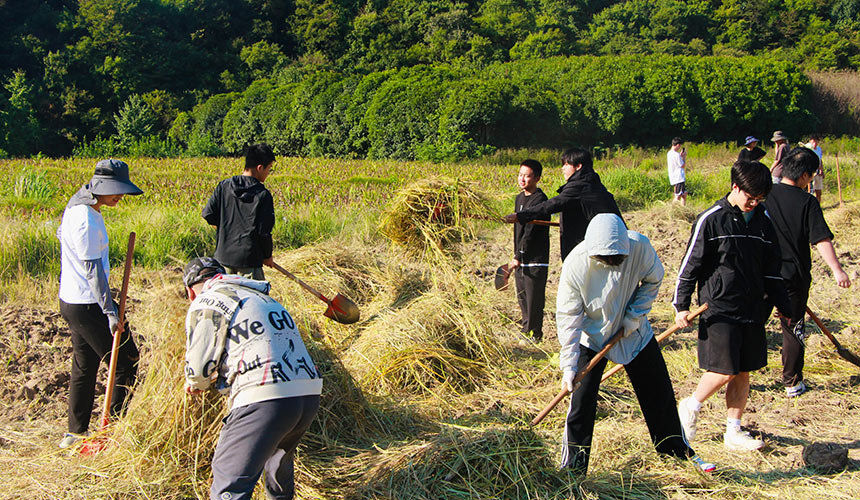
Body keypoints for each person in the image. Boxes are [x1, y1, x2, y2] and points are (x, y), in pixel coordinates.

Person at [556, 214, 714, 474]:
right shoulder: (576, 264)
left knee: (659, 393)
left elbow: (654, 279)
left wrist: (633, 317)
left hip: (635, 334)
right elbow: (568, 319)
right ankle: (573, 469)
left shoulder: (639, 247)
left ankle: (677, 454)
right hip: (592, 338)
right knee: (581, 403)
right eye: (604, 258)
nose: (611, 262)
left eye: (616, 257)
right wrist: (569, 365)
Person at [674, 160, 792, 451]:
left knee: (743, 371)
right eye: (750, 197)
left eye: (759, 198)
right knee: (725, 369)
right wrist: (681, 305)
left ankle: (734, 431)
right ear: (735, 187)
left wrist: (783, 304)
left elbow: (772, 267)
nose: (754, 203)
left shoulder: (764, 221)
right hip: (718, 307)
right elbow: (690, 265)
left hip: (753, 307)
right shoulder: (711, 219)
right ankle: (690, 405)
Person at [183, 257, 322, 500]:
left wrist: (196, 384)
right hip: (307, 393)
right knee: (277, 468)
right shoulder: (262, 297)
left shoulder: (208, 300)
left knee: (230, 483)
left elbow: (198, 368)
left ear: (189, 291)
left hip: (264, 396)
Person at [56, 159, 143, 448]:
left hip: (72, 299)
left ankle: (75, 433)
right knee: (126, 361)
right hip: (88, 303)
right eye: (115, 190)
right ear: (100, 187)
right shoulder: (87, 220)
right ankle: (113, 432)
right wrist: (109, 311)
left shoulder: (77, 207)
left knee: (85, 365)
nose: (120, 196)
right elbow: (93, 270)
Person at [763, 147, 851, 397]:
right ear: (804, 176)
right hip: (793, 276)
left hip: (762, 273)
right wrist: (837, 270)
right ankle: (791, 383)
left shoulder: (765, 194)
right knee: (793, 328)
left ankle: (738, 372)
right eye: (812, 176)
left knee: (754, 322)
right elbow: (821, 239)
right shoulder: (807, 201)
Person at [503, 148, 622, 262]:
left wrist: (520, 216)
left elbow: (553, 204)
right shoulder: (592, 183)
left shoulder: (581, 185)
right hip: (613, 238)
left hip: (602, 246)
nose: (562, 168)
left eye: (566, 165)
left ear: (578, 166)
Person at [203, 143, 277, 280]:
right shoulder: (263, 195)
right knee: (254, 299)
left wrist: (226, 231)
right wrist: (267, 256)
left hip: (222, 260)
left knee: (226, 300)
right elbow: (263, 233)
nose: (268, 173)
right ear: (260, 168)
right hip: (249, 263)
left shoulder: (224, 186)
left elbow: (208, 215)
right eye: (269, 169)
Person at [509, 159, 550, 342]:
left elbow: (530, 232)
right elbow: (519, 231)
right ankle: (526, 329)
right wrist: (516, 254)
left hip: (535, 258)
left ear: (537, 178)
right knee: (522, 295)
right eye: (520, 174)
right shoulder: (519, 198)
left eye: (527, 176)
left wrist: (519, 255)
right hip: (520, 256)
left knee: (534, 298)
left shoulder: (540, 200)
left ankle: (535, 333)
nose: (522, 179)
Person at [803, 135, 824, 203]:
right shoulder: (807, 148)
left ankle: (818, 205)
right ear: (810, 141)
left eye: (816, 142)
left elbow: (820, 160)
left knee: (819, 191)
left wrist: (821, 170)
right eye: (813, 142)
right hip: (810, 171)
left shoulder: (819, 149)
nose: (815, 144)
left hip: (817, 171)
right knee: (810, 190)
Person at [667, 137, 687, 206]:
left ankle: (683, 209)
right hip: (679, 177)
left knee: (684, 194)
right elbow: (682, 165)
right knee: (678, 195)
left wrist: (680, 156)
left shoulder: (669, 153)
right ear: (678, 145)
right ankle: (671, 209)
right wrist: (684, 157)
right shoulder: (676, 155)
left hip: (673, 176)